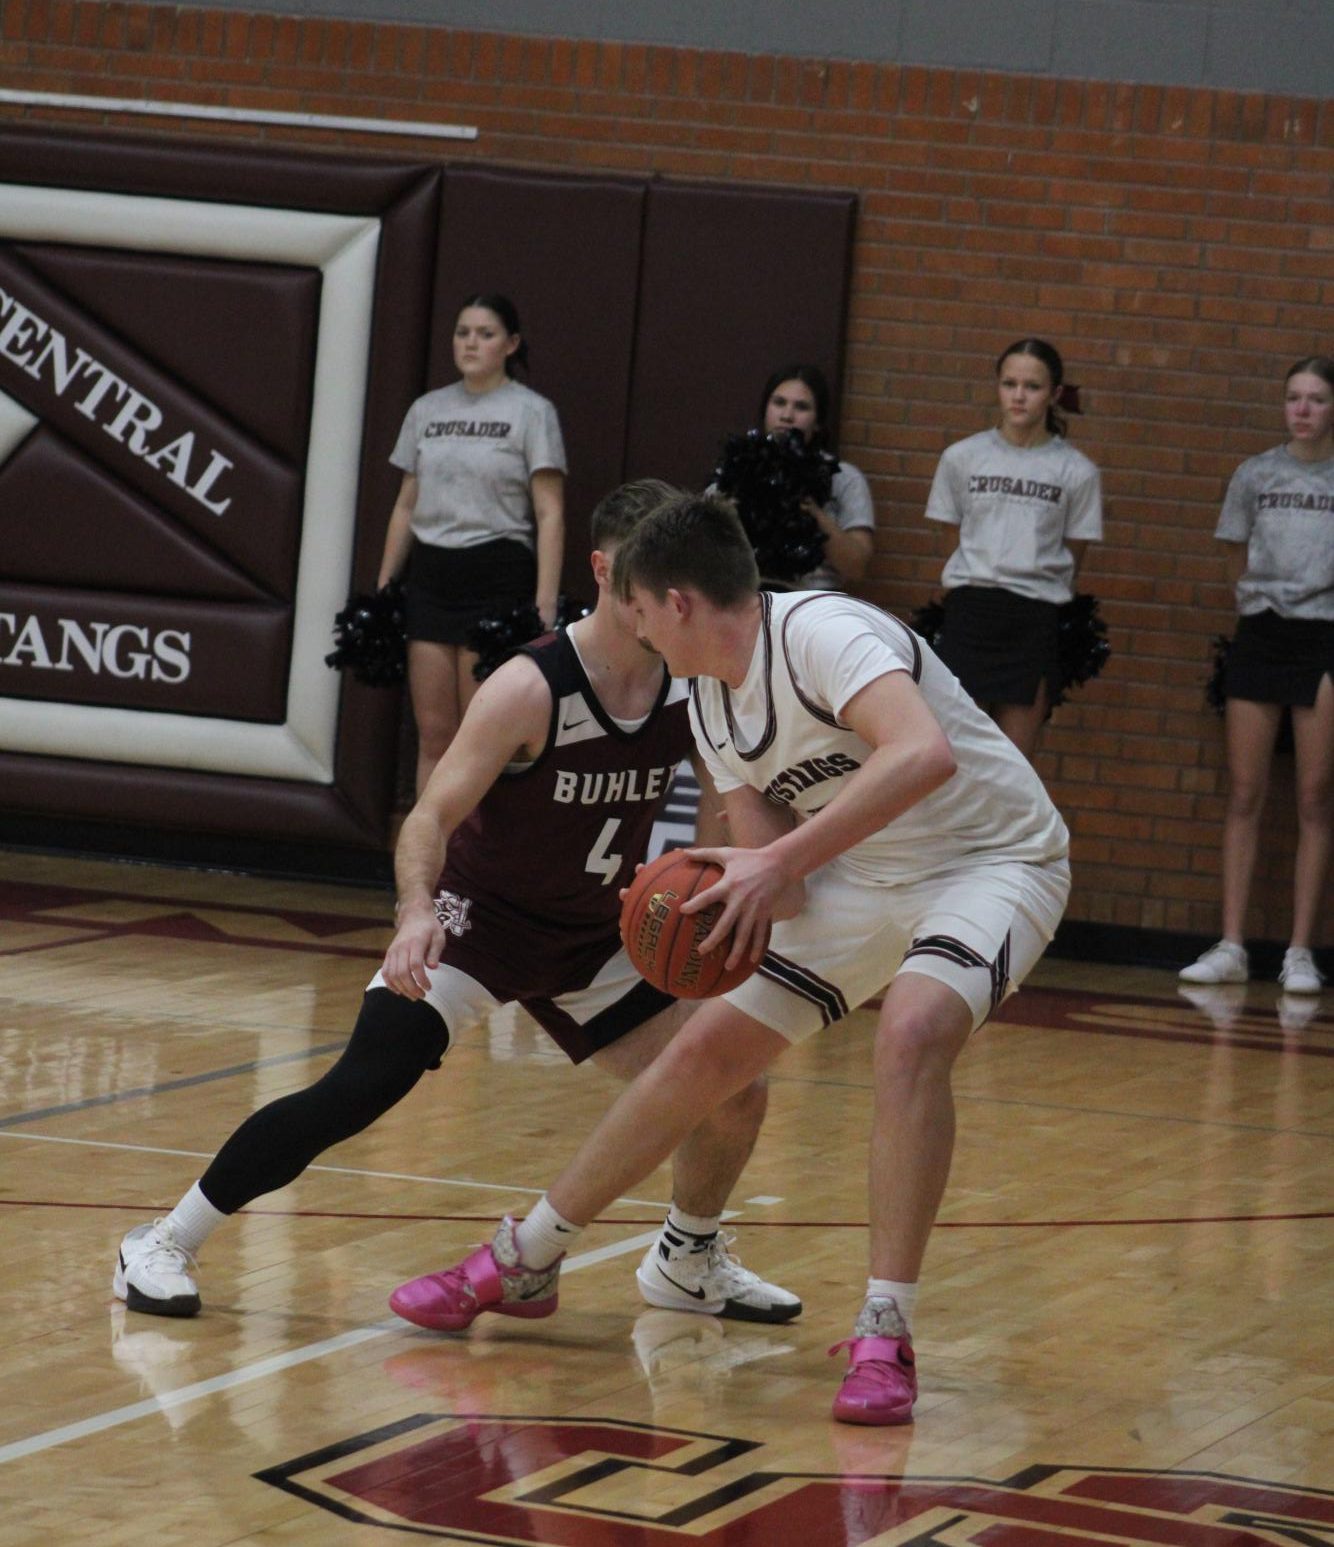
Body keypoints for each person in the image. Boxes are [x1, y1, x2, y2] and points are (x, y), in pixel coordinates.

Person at [391, 492, 1071, 1427]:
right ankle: (527, 1254)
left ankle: (885, 1328)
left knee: (912, 1030)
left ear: (673, 603)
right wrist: (706, 895)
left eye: (631, 606)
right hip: (860, 871)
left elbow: (923, 753)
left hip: (992, 861)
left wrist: (780, 862)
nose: (627, 626)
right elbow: (776, 883)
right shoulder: (709, 698)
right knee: (705, 1053)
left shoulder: (824, 632)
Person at [113, 482, 800, 1328]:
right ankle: (165, 1238)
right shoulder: (529, 685)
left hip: (597, 933)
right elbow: (431, 815)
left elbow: (717, 804)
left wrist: (697, 889)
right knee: (360, 1087)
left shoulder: (687, 681)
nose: (658, 602)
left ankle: (688, 1258)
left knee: (736, 1083)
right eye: (641, 581)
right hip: (482, 923)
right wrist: (414, 912)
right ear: (606, 571)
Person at [1179, 355, 1334, 998]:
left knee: (1315, 796)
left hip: (1324, 636)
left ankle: (1300, 950)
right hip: (1262, 632)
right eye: (1294, 397)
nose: (1302, 409)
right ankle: (1233, 943)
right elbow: (1233, 556)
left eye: (1317, 399)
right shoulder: (1255, 474)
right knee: (1245, 792)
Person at [377, 293, 567, 794]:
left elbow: (550, 513)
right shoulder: (427, 409)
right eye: (463, 332)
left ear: (511, 344)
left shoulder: (532, 412)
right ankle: (425, 867)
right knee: (435, 734)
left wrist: (544, 601)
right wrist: (384, 585)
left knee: (480, 736)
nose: (471, 343)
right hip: (432, 577)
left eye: (484, 333)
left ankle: (474, 870)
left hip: (497, 576)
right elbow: (404, 505)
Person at [925, 337, 1103, 760]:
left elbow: (1073, 555)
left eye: (1032, 386)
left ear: (1055, 394)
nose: (1019, 396)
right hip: (970, 613)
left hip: (1033, 618)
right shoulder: (961, 457)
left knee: (1013, 770)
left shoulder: (1077, 471)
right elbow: (953, 540)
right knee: (952, 761)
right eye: (1009, 383)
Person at [753, 363, 876, 591]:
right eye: (779, 403)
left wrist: (813, 512)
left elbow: (857, 567)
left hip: (813, 606)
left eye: (801, 407)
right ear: (765, 410)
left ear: (818, 422)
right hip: (745, 603)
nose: (787, 416)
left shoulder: (844, 478)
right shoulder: (737, 471)